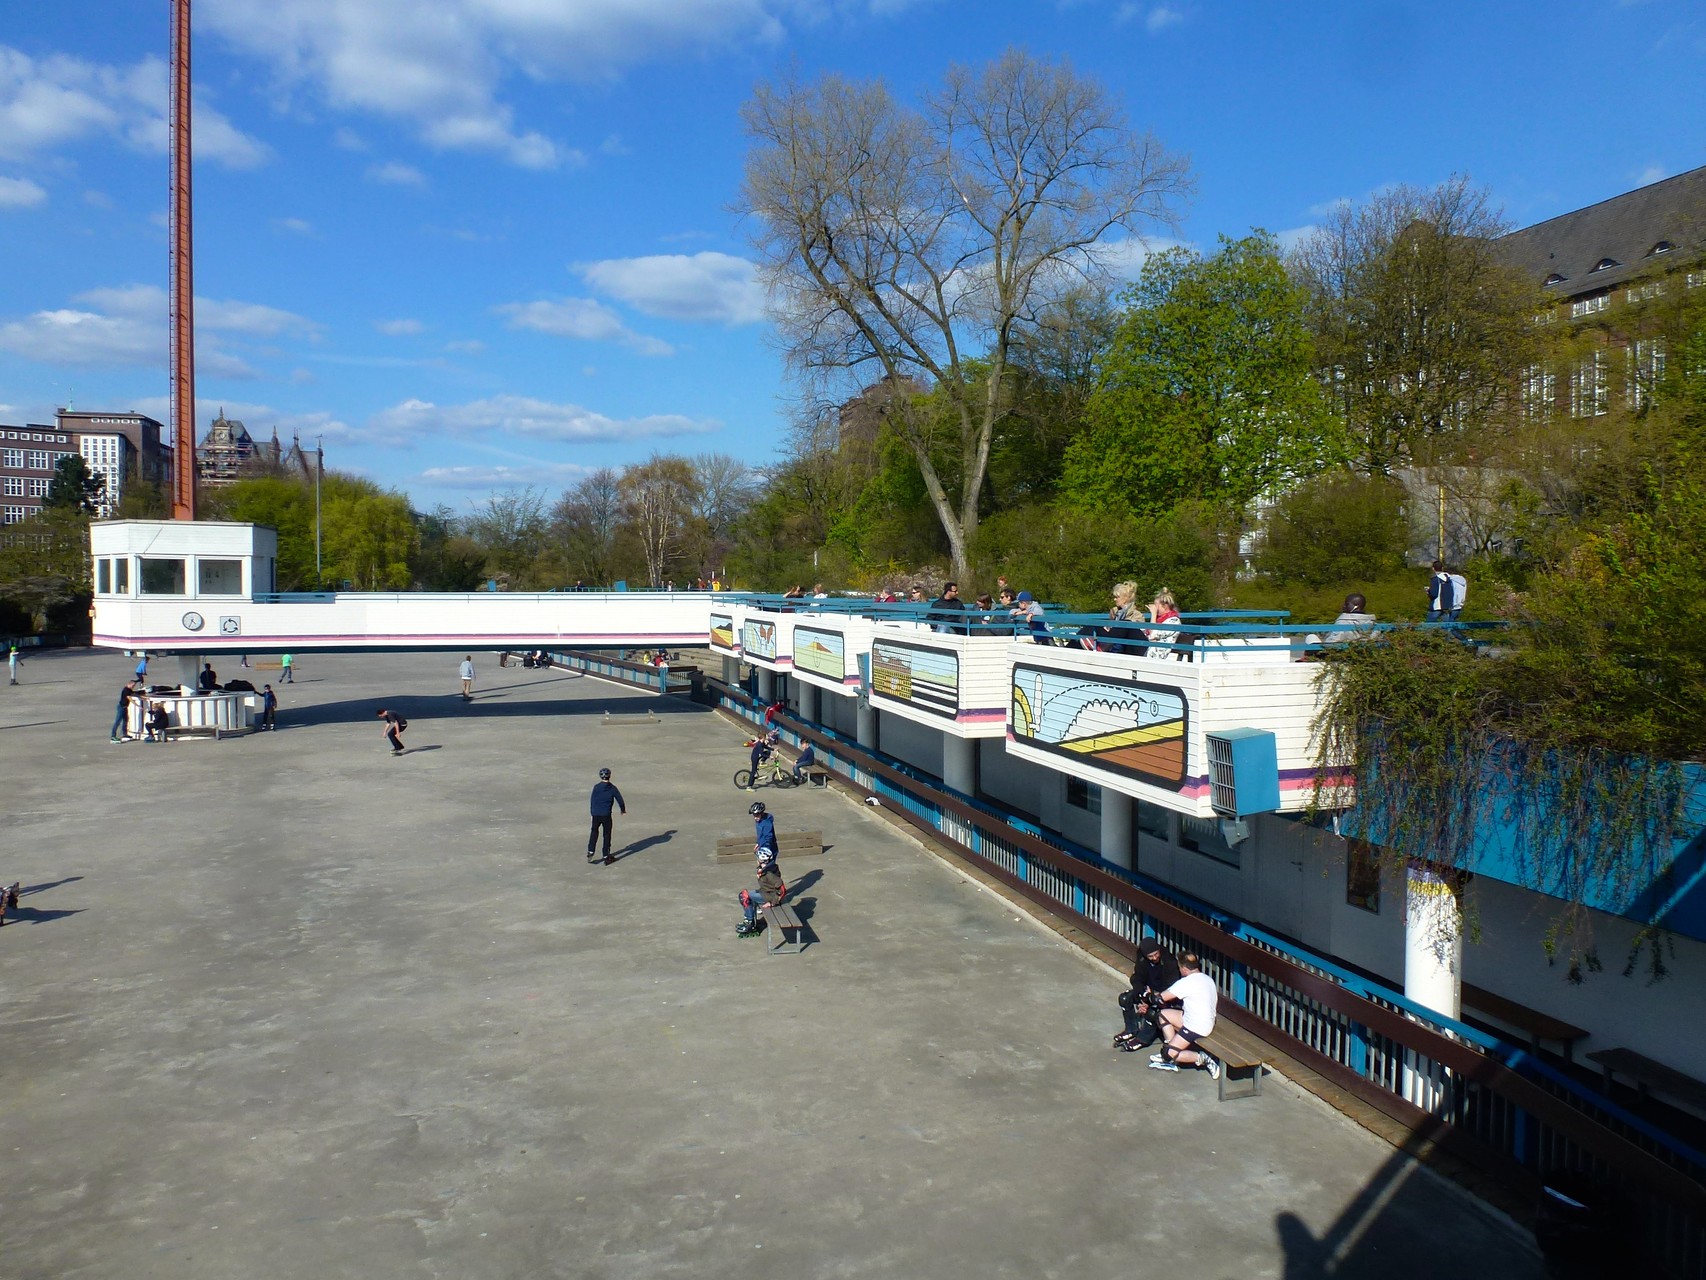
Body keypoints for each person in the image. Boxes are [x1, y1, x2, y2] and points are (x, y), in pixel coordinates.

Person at [1149, 952, 1220, 1079]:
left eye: (1179, 967)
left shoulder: (1186, 982)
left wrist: (1149, 995)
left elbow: (1160, 998)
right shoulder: (1207, 978)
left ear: (1184, 969)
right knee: (1163, 1015)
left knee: (1168, 1054)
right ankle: (1171, 1047)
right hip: (1204, 1021)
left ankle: (1202, 1058)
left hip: (1196, 1027)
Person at [1114, 936, 1182, 1051]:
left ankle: (1143, 1039)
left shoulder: (1169, 962)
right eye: (1150, 956)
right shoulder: (1142, 958)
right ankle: (1131, 1029)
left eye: (1156, 954)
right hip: (1148, 992)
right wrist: (1142, 999)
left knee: (1152, 1012)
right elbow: (1137, 978)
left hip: (1163, 996)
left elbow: (1171, 989)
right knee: (1125, 998)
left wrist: (1151, 999)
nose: (1154, 958)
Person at [735, 801, 785, 937]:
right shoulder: (759, 821)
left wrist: (764, 849)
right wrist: (759, 843)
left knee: (767, 874)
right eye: (754, 815)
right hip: (764, 849)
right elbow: (762, 836)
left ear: (762, 813)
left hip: (768, 850)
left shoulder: (767, 823)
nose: (755, 817)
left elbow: (768, 837)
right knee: (763, 874)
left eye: (757, 815)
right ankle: (762, 898)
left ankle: (752, 920)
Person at [587, 767, 627, 864]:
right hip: (606, 815)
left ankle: (590, 851)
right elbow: (620, 799)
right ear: (610, 776)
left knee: (594, 832)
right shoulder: (612, 788)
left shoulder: (596, 787)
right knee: (606, 834)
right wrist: (623, 810)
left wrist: (592, 813)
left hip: (596, 814)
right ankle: (606, 855)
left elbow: (592, 800)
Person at [110, 678, 142, 743]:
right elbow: (130, 698)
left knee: (126, 720)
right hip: (122, 707)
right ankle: (113, 736)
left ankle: (125, 734)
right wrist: (138, 706)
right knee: (117, 721)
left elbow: (133, 693)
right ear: (129, 684)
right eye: (133, 686)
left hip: (125, 708)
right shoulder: (126, 690)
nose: (133, 687)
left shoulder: (129, 690)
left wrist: (142, 695)